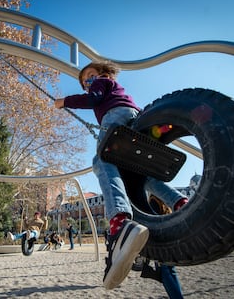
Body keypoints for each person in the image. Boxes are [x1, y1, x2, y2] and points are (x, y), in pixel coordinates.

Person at [54, 60, 188, 289]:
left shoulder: (103, 83)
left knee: (102, 160)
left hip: (117, 117)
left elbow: (94, 98)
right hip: (137, 119)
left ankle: (118, 219)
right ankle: (179, 202)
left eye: (91, 75)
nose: (89, 81)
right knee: (145, 175)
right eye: (86, 80)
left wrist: (65, 101)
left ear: (102, 73)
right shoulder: (112, 88)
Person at [139, 194, 184, 299]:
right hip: (170, 240)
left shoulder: (154, 201)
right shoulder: (167, 202)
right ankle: (178, 296)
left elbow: (153, 222)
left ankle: (176, 297)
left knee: (165, 272)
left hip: (161, 243)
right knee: (171, 271)